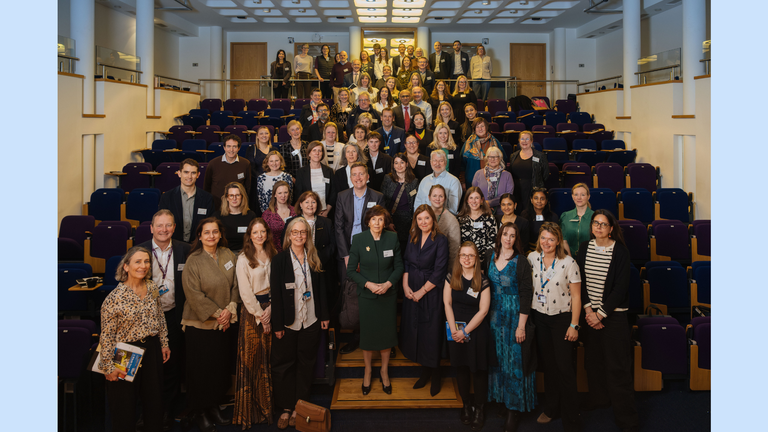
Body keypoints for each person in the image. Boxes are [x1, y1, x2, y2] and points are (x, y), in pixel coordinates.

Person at [575, 210, 639, 432]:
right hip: (589, 315)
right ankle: (599, 399)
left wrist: (600, 314)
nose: (599, 227)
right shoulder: (584, 248)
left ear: (611, 228)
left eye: (603, 224)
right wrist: (588, 310)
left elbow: (620, 288)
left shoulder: (620, 252)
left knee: (618, 367)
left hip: (613, 316)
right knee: (593, 362)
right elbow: (579, 282)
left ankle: (627, 419)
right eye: (595, 223)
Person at [99, 246, 170, 432]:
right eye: (137, 262)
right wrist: (108, 367)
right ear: (126, 267)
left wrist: (164, 343)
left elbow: (159, 316)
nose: (143, 266)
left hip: (152, 348)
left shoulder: (153, 287)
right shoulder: (114, 298)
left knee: (154, 402)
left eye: (146, 261)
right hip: (125, 351)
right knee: (124, 406)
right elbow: (107, 336)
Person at [270, 217, 330, 429]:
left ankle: (299, 406)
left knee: (306, 364)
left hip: (311, 319)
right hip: (287, 323)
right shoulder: (279, 260)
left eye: (303, 232)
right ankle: (286, 407)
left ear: (308, 235)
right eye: (295, 232)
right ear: (288, 235)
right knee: (284, 365)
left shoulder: (314, 257)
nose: (299, 236)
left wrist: (324, 316)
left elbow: (321, 289)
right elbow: (276, 295)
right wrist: (277, 325)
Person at [182, 217, 240, 432]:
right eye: (206, 232)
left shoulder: (228, 254)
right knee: (201, 370)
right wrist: (217, 313)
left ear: (220, 234)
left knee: (219, 368)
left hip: (224, 321)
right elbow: (193, 294)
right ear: (199, 235)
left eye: (215, 232)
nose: (211, 236)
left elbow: (236, 283)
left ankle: (214, 406)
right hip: (200, 324)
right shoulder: (193, 260)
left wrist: (230, 308)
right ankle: (200, 412)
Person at [136, 210, 191, 430]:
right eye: (159, 226)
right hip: (146, 319)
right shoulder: (138, 250)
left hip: (175, 315)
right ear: (151, 228)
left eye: (168, 225)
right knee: (148, 366)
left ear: (174, 228)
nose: (164, 230)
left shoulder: (184, 250)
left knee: (172, 366)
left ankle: (167, 410)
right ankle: (146, 412)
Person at [529, 222, 582, 432]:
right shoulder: (532, 259)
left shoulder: (569, 263)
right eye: (543, 238)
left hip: (562, 320)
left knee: (564, 368)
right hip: (540, 318)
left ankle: (572, 418)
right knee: (549, 367)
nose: (546, 243)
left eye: (551, 239)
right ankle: (552, 408)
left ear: (558, 240)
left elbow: (577, 297)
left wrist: (574, 325)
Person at [346, 205, 404, 395]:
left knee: (387, 334)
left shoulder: (392, 238)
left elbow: (399, 267)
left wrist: (388, 284)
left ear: (385, 221)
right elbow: (351, 270)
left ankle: (384, 371)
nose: (377, 223)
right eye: (374, 219)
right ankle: (368, 370)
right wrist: (368, 284)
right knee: (369, 334)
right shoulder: (359, 239)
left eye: (381, 219)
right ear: (367, 221)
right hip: (368, 295)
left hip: (388, 294)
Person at [485, 222, 536, 432]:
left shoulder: (521, 261)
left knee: (514, 361)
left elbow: (526, 294)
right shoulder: (489, 255)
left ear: (516, 239)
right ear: (500, 235)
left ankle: (514, 410)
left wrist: (521, 326)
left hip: (515, 316)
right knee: (497, 360)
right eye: (505, 234)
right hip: (493, 317)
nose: (508, 238)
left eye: (512, 235)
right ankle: (502, 400)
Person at [334, 162, 385, 354]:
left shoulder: (378, 196)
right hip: (347, 252)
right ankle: (357, 337)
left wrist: (368, 256)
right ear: (350, 178)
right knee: (352, 297)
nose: (358, 178)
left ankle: (378, 336)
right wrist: (346, 255)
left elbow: (381, 226)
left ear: (367, 176)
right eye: (354, 175)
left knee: (372, 296)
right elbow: (338, 227)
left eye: (361, 174)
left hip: (371, 254)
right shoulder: (342, 196)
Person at [401, 204, 450, 396]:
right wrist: (405, 286)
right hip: (411, 288)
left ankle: (435, 374)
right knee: (417, 331)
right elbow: (405, 262)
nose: (423, 222)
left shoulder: (441, 240)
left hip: (431, 292)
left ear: (433, 220)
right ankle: (424, 371)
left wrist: (422, 291)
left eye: (426, 218)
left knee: (431, 333)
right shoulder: (412, 238)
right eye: (419, 219)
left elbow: (439, 271)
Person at [233, 218, 278, 428]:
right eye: (255, 232)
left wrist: (271, 310)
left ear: (267, 233)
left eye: (263, 231)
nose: (259, 235)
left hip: (273, 308)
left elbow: (278, 284)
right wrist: (261, 316)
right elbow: (245, 293)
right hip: (253, 315)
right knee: (252, 362)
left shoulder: (273, 253)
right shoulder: (243, 258)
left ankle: (268, 408)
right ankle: (250, 413)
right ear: (249, 235)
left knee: (269, 360)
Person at [444, 241, 493, 431]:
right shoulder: (451, 277)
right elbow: (447, 304)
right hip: (455, 329)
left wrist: (465, 331)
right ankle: (466, 405)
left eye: (470, 255)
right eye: (463, 255)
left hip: (476, 330)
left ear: (476, 258)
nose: (466, 258)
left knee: (479, 371)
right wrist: (454, 330)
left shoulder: (483, 280)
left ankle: (479, 409)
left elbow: (483, 311)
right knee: (462, 369)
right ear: (458, 258)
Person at [159, 158, 215, 243]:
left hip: (198, 245)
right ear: (179, 173)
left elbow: (210, 224)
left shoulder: (207, 198)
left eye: (193, 173)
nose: (189, 176)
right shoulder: (167, 197)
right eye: (186, 172)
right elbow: (163, 223)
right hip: (174, 244)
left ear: (198, 175)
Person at [381, 152, 419, 252]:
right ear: (393, 165)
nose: (399, 166)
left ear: (407, 164)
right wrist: (387, 222)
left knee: (405, 251)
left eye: (402, 162)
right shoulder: (387, 179)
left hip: (408, 223)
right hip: (391, 220)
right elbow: (382, 202)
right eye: (396, 163)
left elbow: (415, 203)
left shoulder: (414, 181)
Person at [204, 134, 252, 210]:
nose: (231, 150)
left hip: (237, 207)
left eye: (234, 147)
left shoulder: (245, 163)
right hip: (217, 207)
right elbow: (207, 186)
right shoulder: (213, 163)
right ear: (224, 147)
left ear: (239, 148)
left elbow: (248, 187)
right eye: (229, 146)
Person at [508, 131, 549, 215]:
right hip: (516, 190)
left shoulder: (540, 156)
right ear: (519, 140)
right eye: (522, 139)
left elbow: (545, 174)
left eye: (527, 139)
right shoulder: (513, 156)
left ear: (531, 141)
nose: (524, 141)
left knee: (530, 214)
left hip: (532, 190)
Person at [293, 141, 336, 219]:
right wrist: (309, 212)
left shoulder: (328, 171)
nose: (317, 153)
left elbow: (333, 193)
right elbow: (299, 194)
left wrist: (326, 211)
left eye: (319, 150)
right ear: (309, 153)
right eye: (314, 150)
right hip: (307, 213)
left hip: (326, 213)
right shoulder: (301, 172)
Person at [458, 187, 498, 269]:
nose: (474, 201)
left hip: (484, 263)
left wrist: (483, 263)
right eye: (471, 198)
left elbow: (493, 242)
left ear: (482, 200)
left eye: (477, 198)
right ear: (467, 200)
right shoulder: (461, 219)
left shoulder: (489, 218)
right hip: (465, 262)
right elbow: (458, 242)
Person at [414, 150, 462, 215]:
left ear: (446, 162)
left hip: (444, 221)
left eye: (441, 161)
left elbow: (453, 208)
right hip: (424, 221)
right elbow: (417, 203)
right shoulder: (424, 181)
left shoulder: (454, 182)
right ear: (430, 162)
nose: (437, 164)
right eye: (434, 160)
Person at [215, 182, 256, 252]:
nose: (234, 198)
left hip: (245, 252)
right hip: (223, 253)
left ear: (242, 197)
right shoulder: (217, 216)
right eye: (231, 195)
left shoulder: (251, 216)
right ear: (227, 198)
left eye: (237, 195)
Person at [462, 117, 503, 189]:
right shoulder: (468, 143)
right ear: (474, 129)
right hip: (472, 181)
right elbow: (462, 164)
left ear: (486, 127)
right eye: (477, 127)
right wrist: (462, 181)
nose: (480, 129)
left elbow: (502, 159)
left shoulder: (494, 141)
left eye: (482, 126)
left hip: (492, 180)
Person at [427, 184, 461, 270]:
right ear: (429, 197)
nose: (437, 199)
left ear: (445, 198)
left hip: (441, 266)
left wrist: (450, 272)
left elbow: (454, 250)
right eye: (434, 196)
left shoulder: (452, 220)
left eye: (441, 196)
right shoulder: (422, 215)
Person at [472, 146, 513, 214]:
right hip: (481, 210)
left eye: (495, 157)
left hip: (502, 212)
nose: (492, 159)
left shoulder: (507, 175)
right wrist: (484, 204)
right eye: (490, 157)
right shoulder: (478, 173)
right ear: (487, 159)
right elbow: (474, 193)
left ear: (500, 158)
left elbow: (508, 195)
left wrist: (490, 203)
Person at [560, 183, 594, 257]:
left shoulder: (595, 217)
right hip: (569, 258)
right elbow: (563, 240)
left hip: (590, 257)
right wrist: (570, 260)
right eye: (576, 194)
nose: (579, 198)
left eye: (582, 195)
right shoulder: (565, 216)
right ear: (572, 197)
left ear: (588, 196)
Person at [262, 181, 297, 253]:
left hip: (294, 251)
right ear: (275, 194)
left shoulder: (295, 212)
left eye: (285, 192)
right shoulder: (267, 214)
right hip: (274, 252)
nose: (283, 196)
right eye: (280, 193)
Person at [521, 187, 559, 252]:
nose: (539, 201)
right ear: (531, 200)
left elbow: (556, 238)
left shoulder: (553, 217)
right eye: (536, 198)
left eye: (542, 199)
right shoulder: (524, 215)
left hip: (548, 250)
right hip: (529, 251)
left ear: (546, 201)